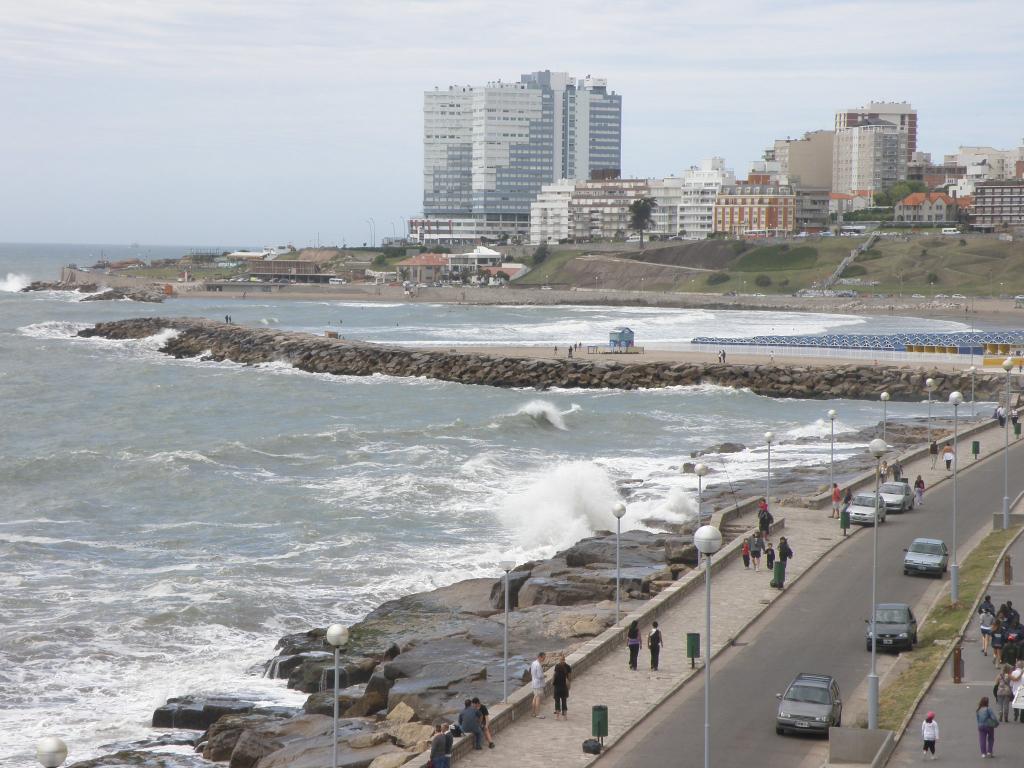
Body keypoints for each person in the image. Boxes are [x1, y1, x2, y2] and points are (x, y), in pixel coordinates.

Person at [552, 653, 571, 720]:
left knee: (557, 701)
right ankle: (565, 717)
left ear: (559, 660)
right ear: (564, 659)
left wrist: (552, 683)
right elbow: (569, 678)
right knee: (564, 701)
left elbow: (554, 676)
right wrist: (569, 686)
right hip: (564, 687)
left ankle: (557, 716)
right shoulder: (568, 667)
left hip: (557, 687)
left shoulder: (557, 666)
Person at [530, 652, 546, 718]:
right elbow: (540, 676)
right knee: (538, 699)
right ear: (540, 657)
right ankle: (537, 714)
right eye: (543, 658)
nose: (544, 659)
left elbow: (532, 673)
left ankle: (533, 713)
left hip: (534, 682)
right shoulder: (538, 665)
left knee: (535, 698)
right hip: (538, 684)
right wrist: (544, 675)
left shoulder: (533, 663)